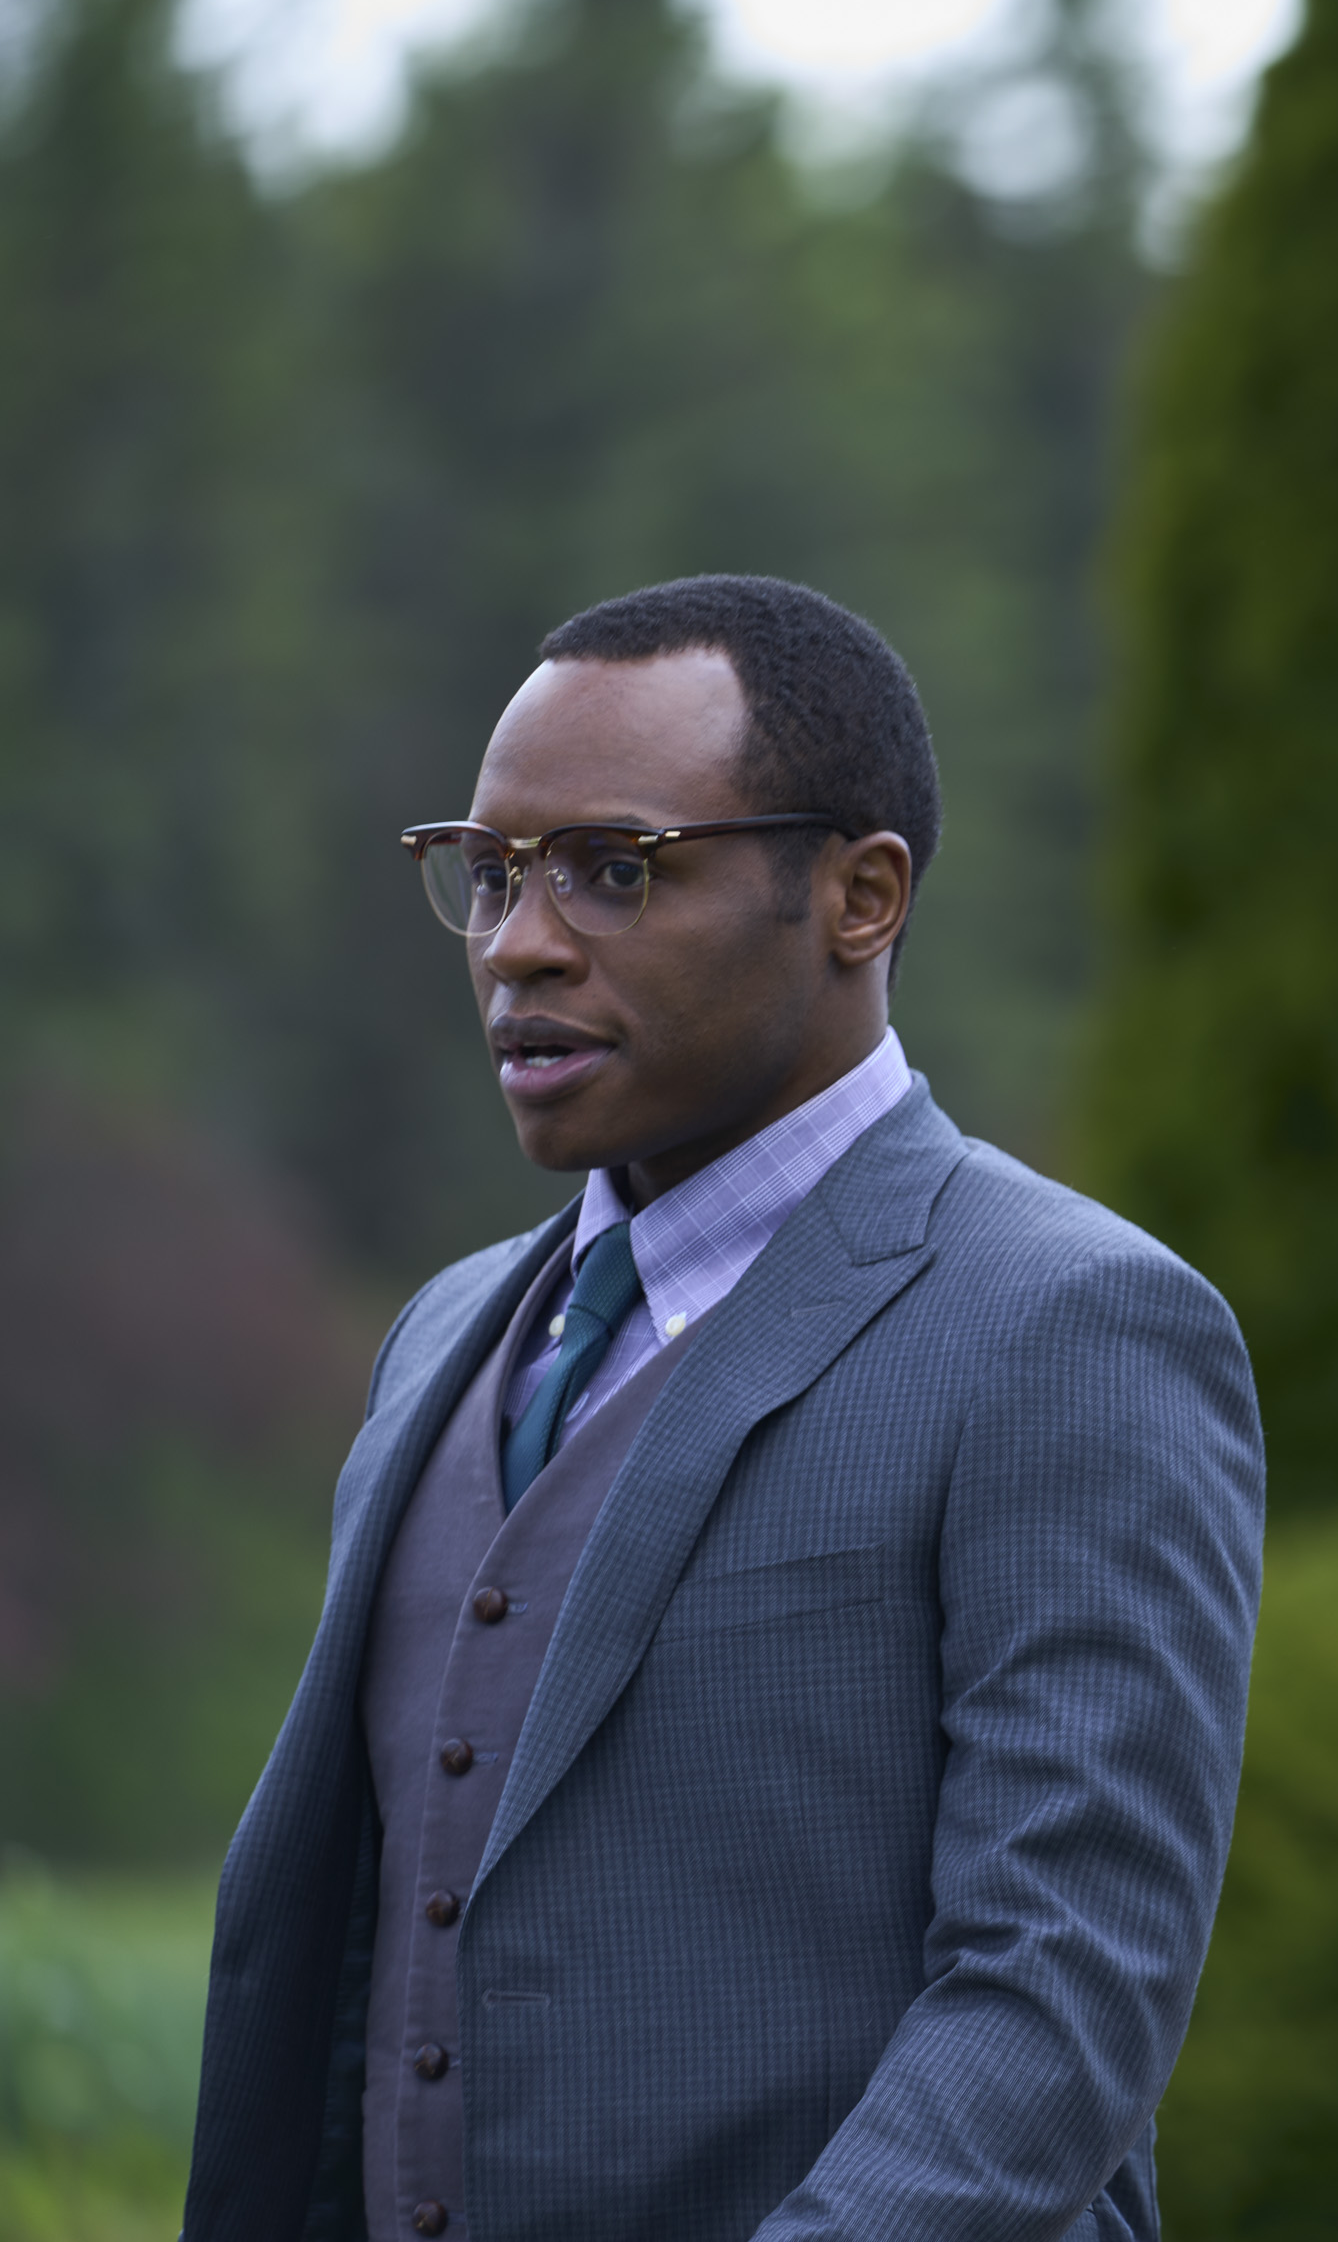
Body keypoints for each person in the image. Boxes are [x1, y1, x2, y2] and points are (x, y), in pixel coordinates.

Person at [184, 575, 1264, 2242]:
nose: (521, 943)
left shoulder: (1069, 1324)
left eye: (617, 871)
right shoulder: (444, 1337)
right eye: (488, 874)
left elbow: (1065, 1992)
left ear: (859, 895)